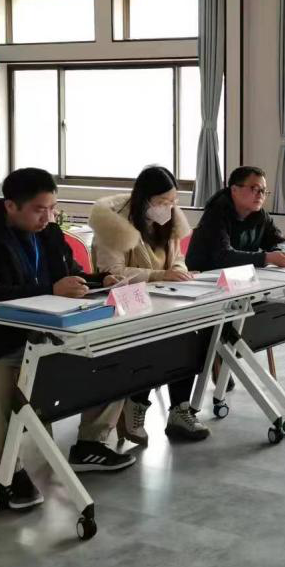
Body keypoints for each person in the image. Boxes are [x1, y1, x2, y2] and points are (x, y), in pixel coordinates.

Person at [0, 168, 135, 511]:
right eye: (39, 209)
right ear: (10, 206)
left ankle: (90, 444)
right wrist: (50, 289)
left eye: (52, 208)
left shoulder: (48, 233)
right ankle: (11, 473)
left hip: (45, 335)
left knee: (109, 354)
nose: (48, 217)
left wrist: (100, 280)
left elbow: (70, 274)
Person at [88, 165, 210, 445]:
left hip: (165, 298)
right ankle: (137, 403)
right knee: (155, 341)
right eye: (162, 202)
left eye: (172, 201)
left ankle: (180, 409)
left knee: (191, 334)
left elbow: (178, 259)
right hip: (127, 305)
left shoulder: (169, 221)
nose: (168, 208)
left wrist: (177, 271)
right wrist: (160, 275)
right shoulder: (113, 225)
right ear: (144, 199)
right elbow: (112, 274)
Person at [185, 166, 285, 271]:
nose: (260, 195)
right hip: (205, 277)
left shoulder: (260, 215)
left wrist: (282, 253)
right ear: (234, 190)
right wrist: (267, 258)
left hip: (240, 276)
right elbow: (223, 257)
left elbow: (282, 242)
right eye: (255, 189)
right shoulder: (216, 213)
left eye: (263, 191)